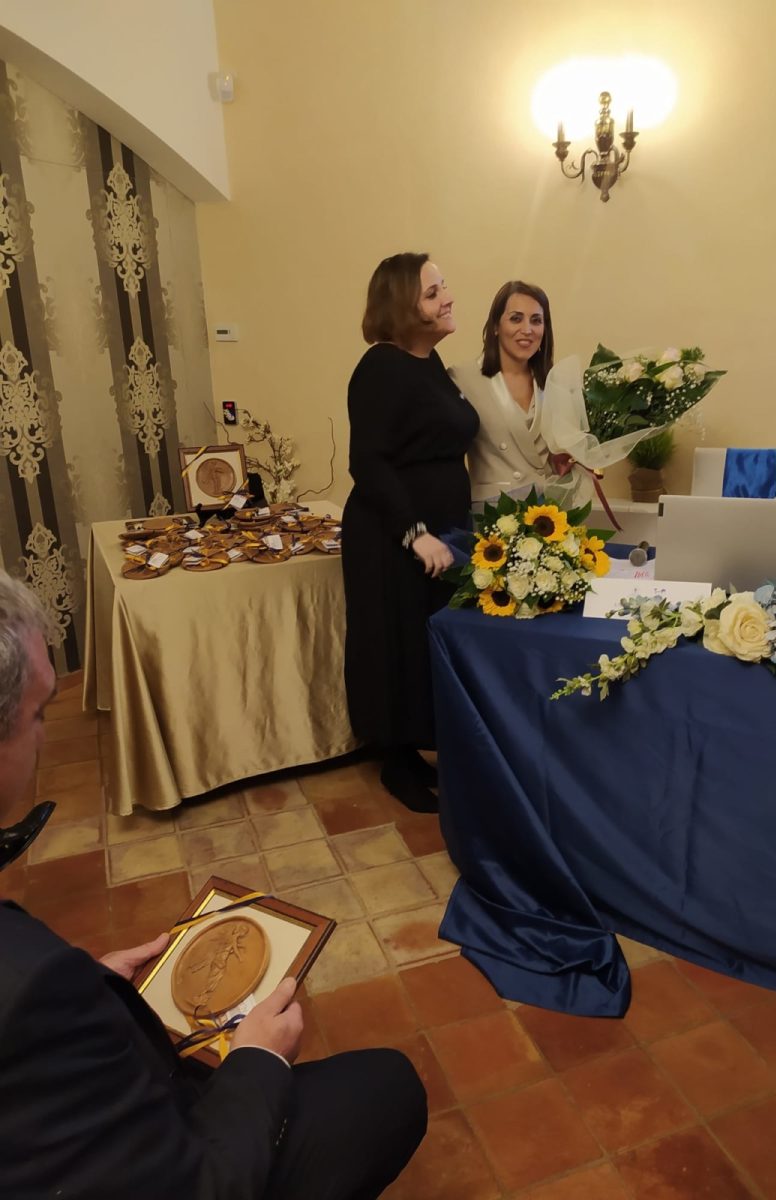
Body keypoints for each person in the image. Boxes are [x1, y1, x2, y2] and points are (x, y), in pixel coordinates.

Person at [0, 570, 427, 1200]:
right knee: (388, 1087)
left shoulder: (37, 987)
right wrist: (258, 1059)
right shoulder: (30, 987)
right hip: (180, 1157)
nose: (45, 736)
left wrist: (94, 987)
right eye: (39, 714)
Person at [342, 253, 479, 813]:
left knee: (424, 642)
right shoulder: (381, 366)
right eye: (433, 292)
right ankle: (395, 760)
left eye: (443, 287)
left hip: (438, 530)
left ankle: (417, 747)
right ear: (403, 305)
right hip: (391, 534)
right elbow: (367, 461)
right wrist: (414, 533)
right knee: (392, 641)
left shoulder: (430, 362)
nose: (448, 298)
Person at [450, 280, 577, 504]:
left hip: (548, 511)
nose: (527, 330)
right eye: (516, 319)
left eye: (536, 320)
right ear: (495, 326)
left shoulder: (553, 383)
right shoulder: (463, 378)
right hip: (493, 510)